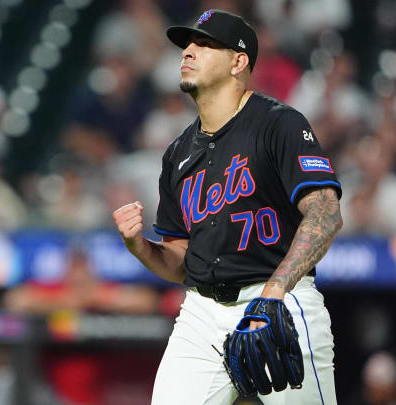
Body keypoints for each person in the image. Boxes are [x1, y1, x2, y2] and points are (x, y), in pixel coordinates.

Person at [112, 9, 343, 405]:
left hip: (280, 300)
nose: (188, 51)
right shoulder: (178, 153)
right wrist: (140, 246)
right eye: (187, 44)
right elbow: (181, 259)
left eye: (204, 44)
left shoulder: (279, 124)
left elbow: (325, 213)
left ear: (239, 62)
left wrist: (275, 291)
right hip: (201, 313)